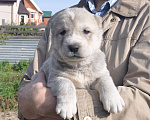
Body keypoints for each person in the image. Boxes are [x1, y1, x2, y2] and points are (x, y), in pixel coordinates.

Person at [18, 0, 150, 120]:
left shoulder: (145, 17)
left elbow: (144, 100)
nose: (73, 42)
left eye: (86, 31)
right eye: (63, 32)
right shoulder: (59, 18)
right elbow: (26, 93)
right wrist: (28, 104)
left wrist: (47, 104)